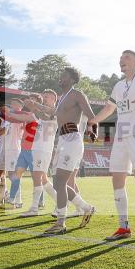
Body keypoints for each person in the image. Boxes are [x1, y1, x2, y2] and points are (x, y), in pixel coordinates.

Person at [89, 49, 135, 240]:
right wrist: (93, 121)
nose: (122, 60)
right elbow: (109, 108)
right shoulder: (118, 86)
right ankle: (124, 227)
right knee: (117, 179)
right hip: (121, 137)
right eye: (120, 58)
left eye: (126, 58)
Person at [40, 67, 98, 235]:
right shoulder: (61, 98)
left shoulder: (77, 95)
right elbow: (51, 116)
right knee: (59, 182)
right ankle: (86, 208)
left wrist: (91, 130)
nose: (61, 78)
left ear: (73, 79)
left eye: (64, 76)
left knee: (59, 182)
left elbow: (91, 115)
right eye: (61, 75)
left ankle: (60, 223)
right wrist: (36, 106)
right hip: (62, 141)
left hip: (73, 139)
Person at [15, 90, 60, 216]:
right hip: (37, 148)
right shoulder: (41, 114)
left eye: (47, 97)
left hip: (44, 149)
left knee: (37, 177)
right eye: (44, 97)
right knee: (44, 179)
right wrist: (33, 107)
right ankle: (61, 203)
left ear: (54, 99)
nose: (44, 99)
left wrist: (34, 106)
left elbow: (47, 116)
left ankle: (34, 208)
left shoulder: (56, 112)